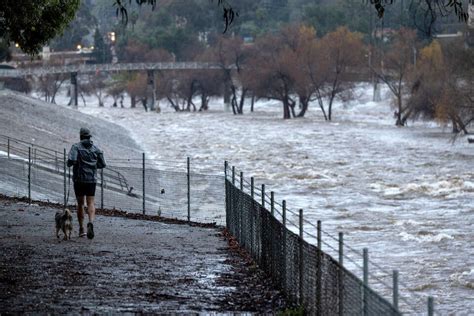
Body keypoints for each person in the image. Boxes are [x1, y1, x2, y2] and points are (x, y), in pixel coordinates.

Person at [67, 127, 106, 239]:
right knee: (91, 203)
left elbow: (71, 161)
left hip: (79, 179)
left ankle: (81, 229)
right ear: (89, 137)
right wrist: (93, 167)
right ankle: (91, 222)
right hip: (91, 180)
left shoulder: (76, 147)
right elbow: (103, 164)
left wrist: (70, 164)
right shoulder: (96, 149)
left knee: (80, 204)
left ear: (81, 136)